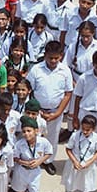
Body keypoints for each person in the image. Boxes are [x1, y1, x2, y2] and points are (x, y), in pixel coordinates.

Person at [26, 41, 72, 175]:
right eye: (50, 57)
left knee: (52, 137)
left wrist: (58, 113)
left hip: (55, 111)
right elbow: (30, 90)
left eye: (56, 58)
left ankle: (48, 161)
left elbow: (68, 93)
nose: (53, 61)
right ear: (45, 55)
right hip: (37, 112)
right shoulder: (36, 69)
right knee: (34, 136)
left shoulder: (65, 71)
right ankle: (33, 159)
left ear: (61, 56)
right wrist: (37, 111)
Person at [12, 116, 53, 192]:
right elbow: (15, 158)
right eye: (24, 131)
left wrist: (40, 161)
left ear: (36, 131)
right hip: (21, 171)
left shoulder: (43, 142)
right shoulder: (19, 144)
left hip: (34, 173)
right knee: (20, 191)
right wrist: (24, 162)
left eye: (29, 131)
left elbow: (49, 152)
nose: (26, 134)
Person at [60, 114, 97, 192]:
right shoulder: (75, 135)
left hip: (87, 166)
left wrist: (89, 162)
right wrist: (74, 161)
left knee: (85, 183)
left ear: (94, 128)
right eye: (83, 128)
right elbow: (68, 149)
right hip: (74, 164)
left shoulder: (96, 138)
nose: (84, 131)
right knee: (70, 182)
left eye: (88, 130)